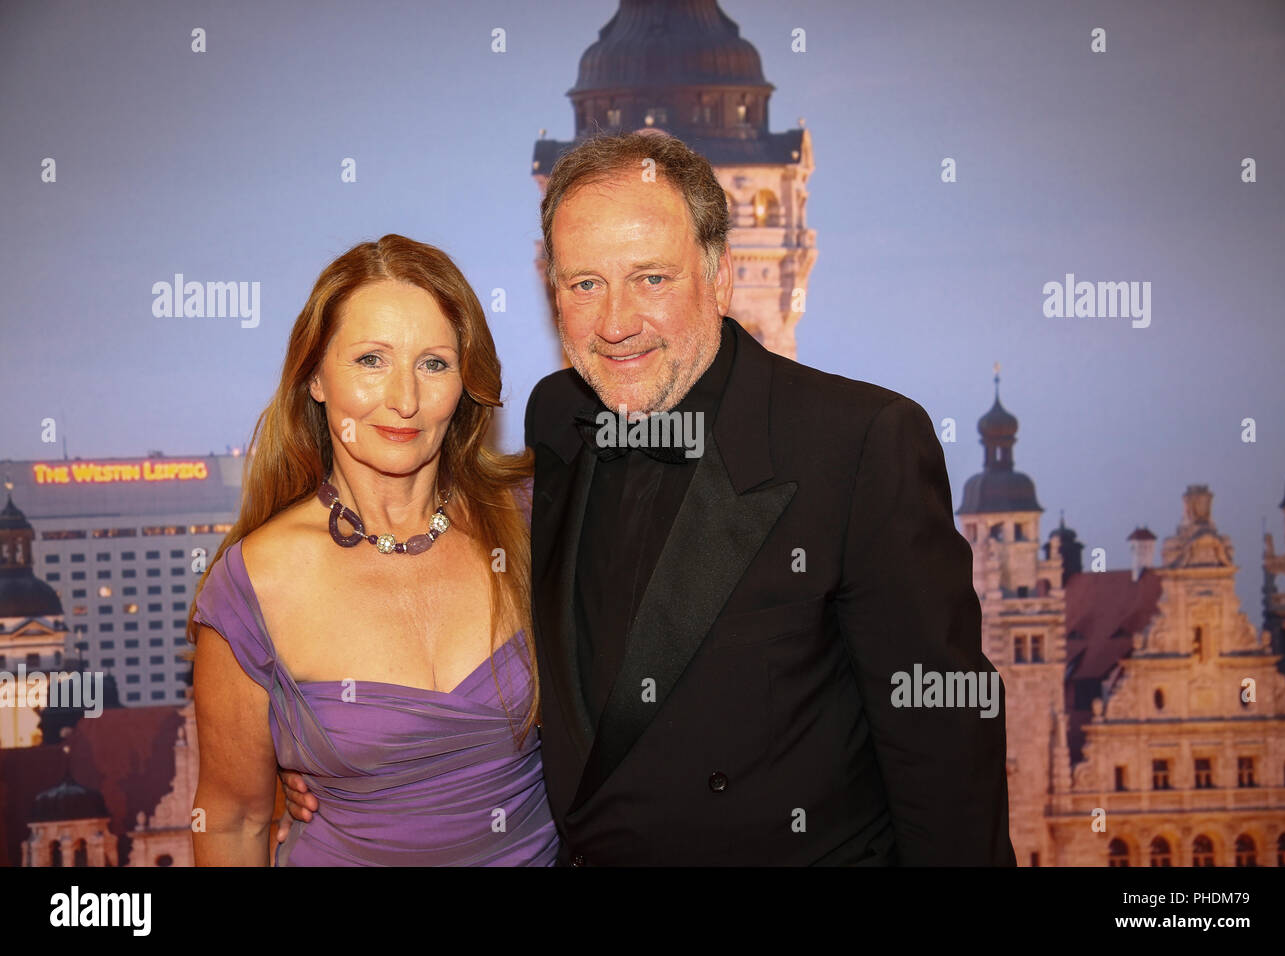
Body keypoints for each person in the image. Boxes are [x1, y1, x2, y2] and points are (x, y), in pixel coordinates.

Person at [282, 132, 1016, 865]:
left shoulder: (860, 444)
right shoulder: (558, 417)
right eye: (585, 284)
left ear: (721, 275)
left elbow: (945, 751)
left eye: (652, 280)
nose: (616, 323)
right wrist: (337, 763)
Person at [190, 234, 557, 866]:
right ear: (315, 378)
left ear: (465, 381)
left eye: (434, 364)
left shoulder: (534, 519)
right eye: (371, 360)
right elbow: (232, 821)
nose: (406, 400)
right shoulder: (257, 582)